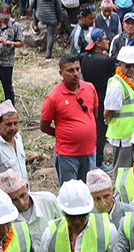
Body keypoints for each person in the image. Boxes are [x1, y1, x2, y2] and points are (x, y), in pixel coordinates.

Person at [42, 54, 99, 184]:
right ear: (61, 73)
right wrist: (63, 134)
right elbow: (44, 126)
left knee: (88, 189)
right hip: (67, 155)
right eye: (70, 70)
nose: (75, 73)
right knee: (69, 191)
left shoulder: (89, 88)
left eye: (78, 69)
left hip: (89, 152)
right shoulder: (53, 97)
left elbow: (94, 113)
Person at [105, 46, 134, 169]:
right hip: (124, 138)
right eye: (128, 66)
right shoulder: (116, 84)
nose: (132, 69)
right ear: (120, 65)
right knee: (123, 170)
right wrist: (108, 119)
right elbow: (108, 111)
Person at [80, 28, 117, 169]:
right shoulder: (106, 60)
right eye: (105, 39)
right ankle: (98, 162)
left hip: (88, 97)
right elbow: (113, 77)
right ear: (98, 43)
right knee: (101, 131)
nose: (108, 41)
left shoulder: (84, 58)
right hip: (102, 98)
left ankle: (89, 158)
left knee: (90, 128)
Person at [2, 169, 64, 247]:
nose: (21, 202)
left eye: (22, 195)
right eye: (14, 200)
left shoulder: (48, 201)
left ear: (27, 187)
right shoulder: (5, 217)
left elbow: (64, 226)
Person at [0, 6, 25, 104]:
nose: (4, 19)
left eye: (6, 17)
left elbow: (21, 42)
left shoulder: (15, 26)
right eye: (2, 16)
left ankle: (10, 108)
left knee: (8, 87)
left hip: (5, 61)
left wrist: (12, 43)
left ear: (11, 14)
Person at [110, 13, 134, 83]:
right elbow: (112, 57)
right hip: (119, 76)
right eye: (127, 23)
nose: (130, 26)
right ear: (123, 24)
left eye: (133, 23)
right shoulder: (117, 38)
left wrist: (124, 64)